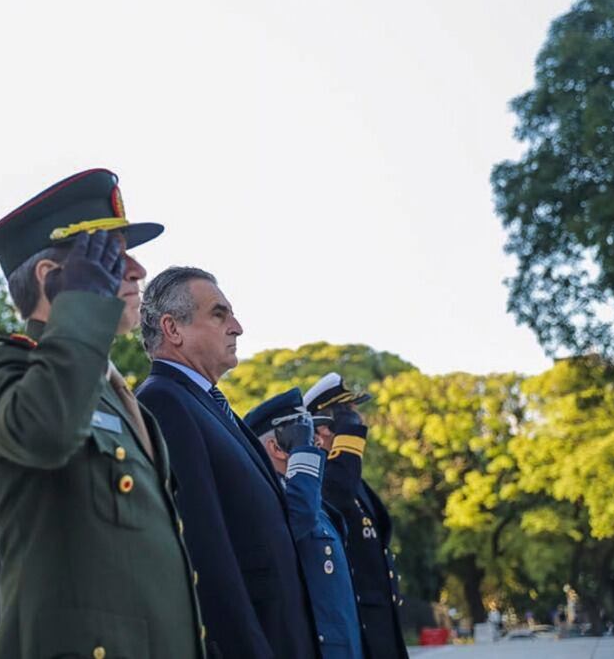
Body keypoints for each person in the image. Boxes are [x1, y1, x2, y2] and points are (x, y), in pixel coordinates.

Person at [0, 169, 206, 659]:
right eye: (111, 258)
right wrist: (80, 309)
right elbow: (47, 432)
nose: (138, 271)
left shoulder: (120, 397)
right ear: (51, 279)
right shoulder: (8, 368)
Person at [135, 267, 318, 659]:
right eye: (219, 314)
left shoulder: (210, 404)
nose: (236, 327)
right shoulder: (164, 401)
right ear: (173, 328)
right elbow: (204, 547)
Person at [244, 388, 366, 659]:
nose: (317, 444)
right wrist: (302, 452)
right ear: (276, 447)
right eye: (306, 436)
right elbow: (297, 521)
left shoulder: (307, 493)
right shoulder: (276, 499)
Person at [306, 371, 410, 659]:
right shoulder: (317, 475)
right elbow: (336, 495)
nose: (358, 421)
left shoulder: (350, 475)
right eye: (347, 414)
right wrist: (349, 438)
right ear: (323, 427)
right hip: (357, 625)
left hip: (379, 622)